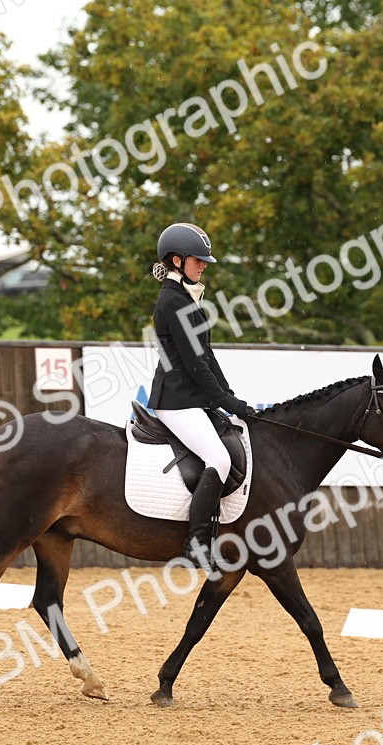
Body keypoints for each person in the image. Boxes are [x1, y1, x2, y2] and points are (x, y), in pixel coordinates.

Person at [146, 222, 256, 571]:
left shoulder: (186, 298)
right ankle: (195, 543)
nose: (204, 265)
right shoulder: (173, 301)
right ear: (177, 261)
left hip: (191, 398)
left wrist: (232, 397)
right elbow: (194, 365)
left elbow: (208, 356)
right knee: (219, 460)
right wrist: (227, 401)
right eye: (198, 260)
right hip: (175, 400)